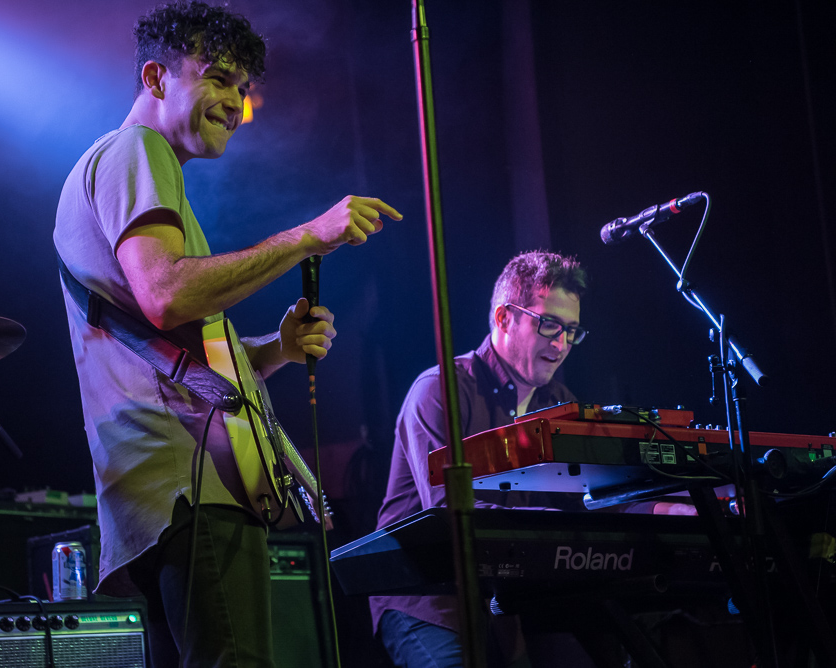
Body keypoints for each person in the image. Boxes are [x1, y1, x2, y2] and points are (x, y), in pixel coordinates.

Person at [53, 2, 401, 666]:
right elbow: (167, 293)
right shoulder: (137, 149)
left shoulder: (124, 168)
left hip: (159, 494)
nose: (237, 105)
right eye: (217, 79)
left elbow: (168, 346)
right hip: (192, 485)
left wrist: (279, 349)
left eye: (243, 89)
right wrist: (307, 235)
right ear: (156, 78)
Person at [370, 250, 590, 667]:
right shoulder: (440, 391)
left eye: (572, 331)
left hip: (513, 600)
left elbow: (587, 495)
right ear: (504, 318)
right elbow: (450, 510)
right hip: (429, 599)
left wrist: (664, 506)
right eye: (549, 325)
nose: (561, 345)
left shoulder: (561, 403)